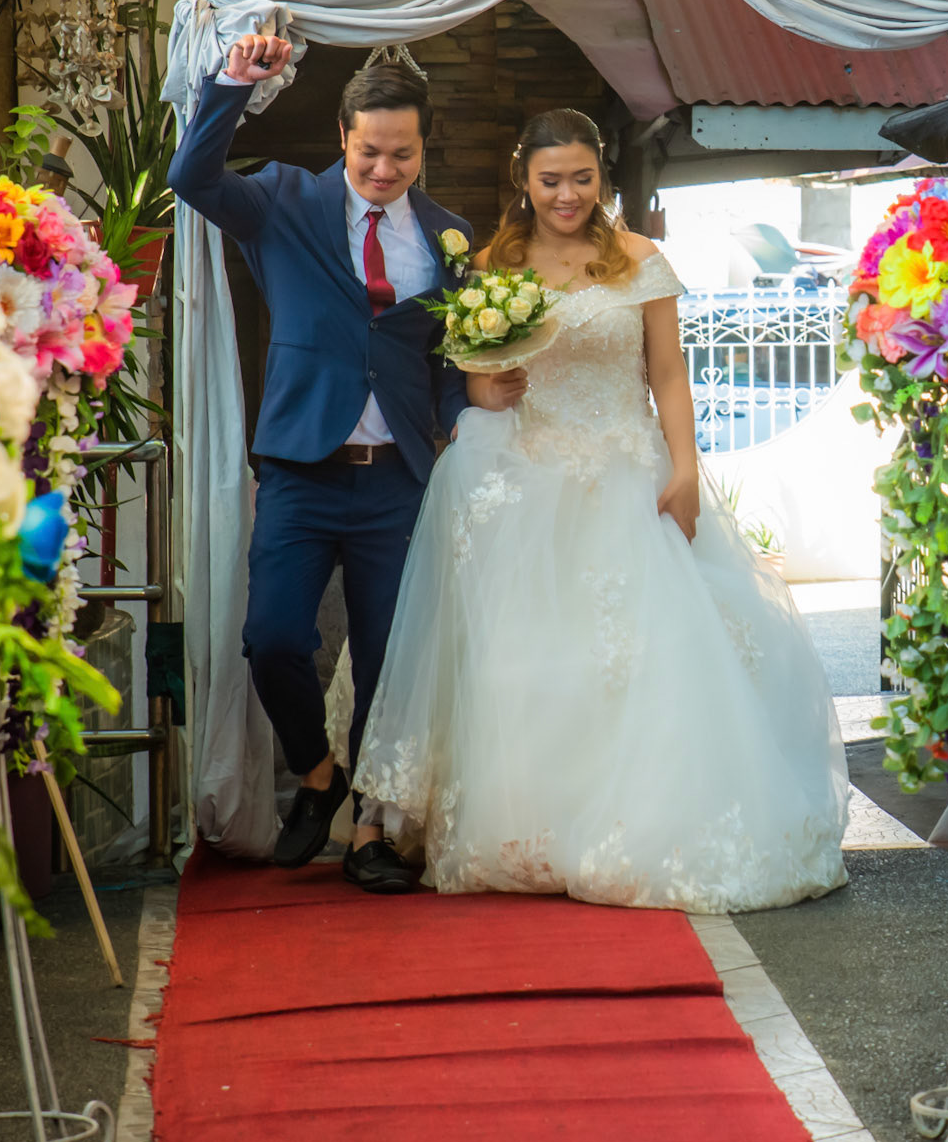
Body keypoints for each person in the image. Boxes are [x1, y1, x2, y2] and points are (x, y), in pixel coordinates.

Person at [351, 108, 850, 912]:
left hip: (627, 473)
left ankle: (629, 822)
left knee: (644, 655)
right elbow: (472, 372)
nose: (567, 194)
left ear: (601, 178)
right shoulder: (492, 265)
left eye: (582, 178)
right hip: (527, 476)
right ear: (524, 180)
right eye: (551, 180)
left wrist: (684, 469)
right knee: (526, 662)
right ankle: (531, 827)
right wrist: (488, 389)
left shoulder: (642, 260)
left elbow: (669, 374)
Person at [168, 36, 472, 893]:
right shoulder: (283, 201)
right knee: (271, 638)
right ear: (343, 136)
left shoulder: (449, 235)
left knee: (385, 658)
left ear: (424, 147)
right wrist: (232, 84)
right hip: (301, 467)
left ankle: (371, 826)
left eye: (402, 154)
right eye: (370, 150)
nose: (384, 169)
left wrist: (461, 421)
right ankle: (316, 773)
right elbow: (192, 178)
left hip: (398, 479)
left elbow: (449, 357)